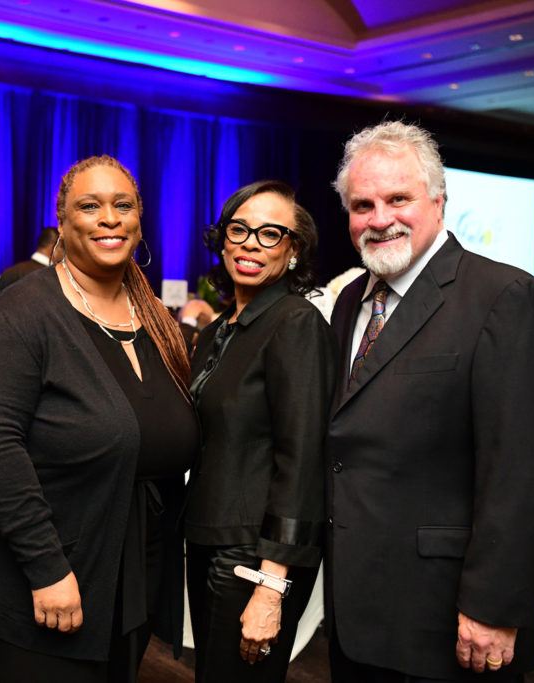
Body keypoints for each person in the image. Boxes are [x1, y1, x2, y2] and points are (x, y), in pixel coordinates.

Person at [325, 121, 534, 681]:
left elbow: (527, 472)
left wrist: (494, 606)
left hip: (451, 619)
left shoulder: (507, 298)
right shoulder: (350, 303)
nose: (379, 218)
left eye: (398, 199)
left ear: (438, 202)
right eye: (362, 205)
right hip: (359, 613)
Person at [0, 154, 196, 682]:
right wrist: (47, 569)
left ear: (139, 220)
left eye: (122, 205)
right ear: (62, 223)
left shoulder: (156, 320)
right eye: (90, 206)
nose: (109, 218)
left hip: (129, 583)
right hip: (43, 582)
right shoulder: (23, 312)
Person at [185, 180, 335, 682]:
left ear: (294, 251)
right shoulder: (216, 331)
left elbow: (303, 459)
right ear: (222, 239)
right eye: (240, 229)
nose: (251, 244)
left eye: (271, 234)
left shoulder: (296, 323)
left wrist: (271, 585)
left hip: (255, 556)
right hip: (209, 537)